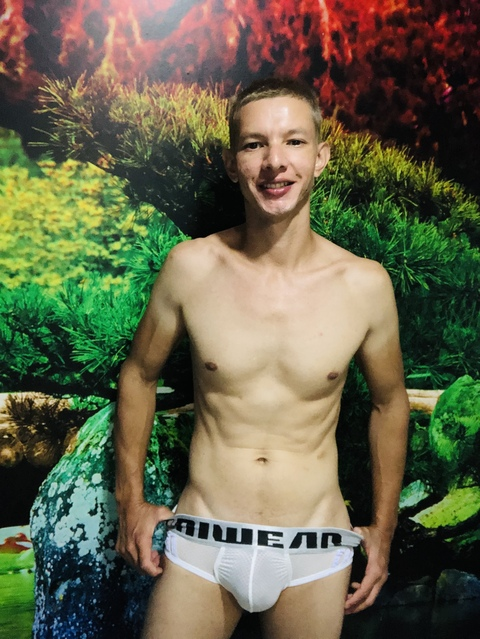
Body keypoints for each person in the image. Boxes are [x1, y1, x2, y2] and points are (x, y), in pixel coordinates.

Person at [114, 77, 410, 639]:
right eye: (255, 144)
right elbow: (138, 374)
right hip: (203, 538)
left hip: (314, 546)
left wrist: (383, 528)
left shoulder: (365, 285)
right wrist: (131, 501)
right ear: (233, 163)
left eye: (294, 141)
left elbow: (389, 403)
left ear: (321, 156)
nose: (275, 162)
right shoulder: (191, 267)